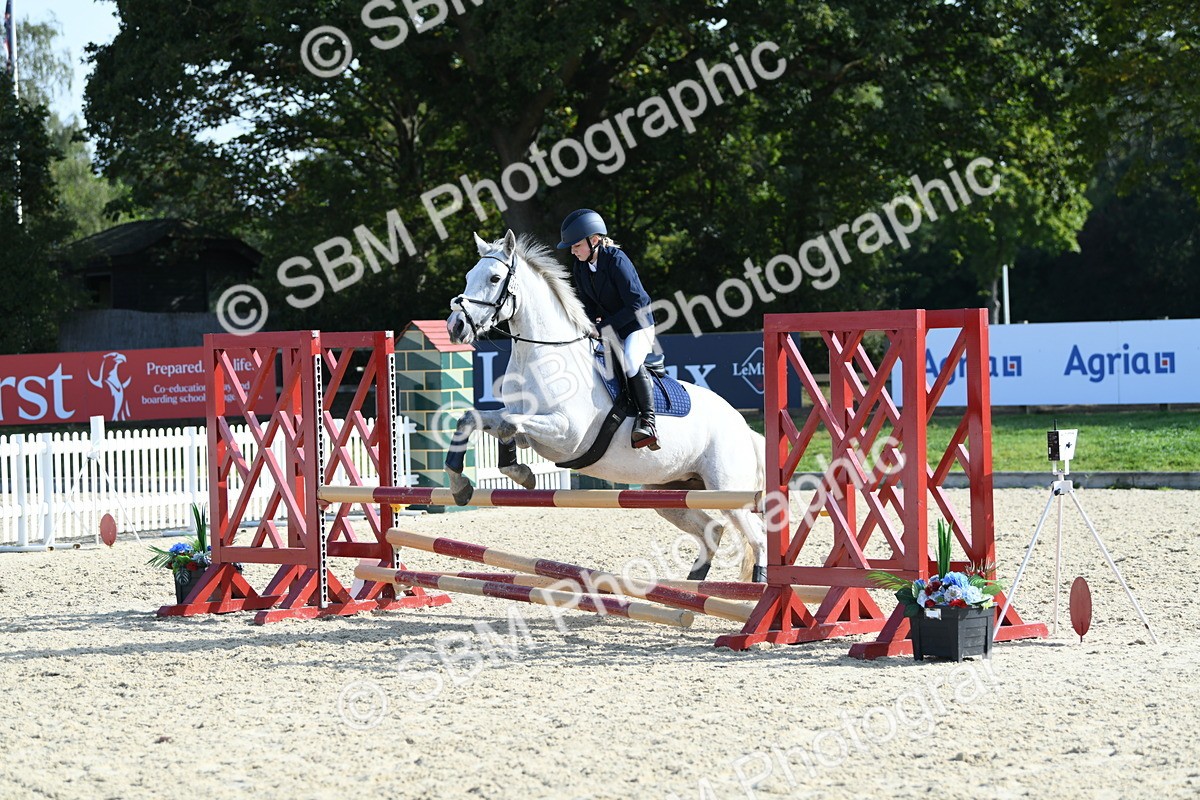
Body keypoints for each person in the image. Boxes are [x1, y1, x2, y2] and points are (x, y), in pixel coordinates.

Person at [557, 208, 661, 450]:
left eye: (576, 245)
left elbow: (637, 303)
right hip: (612, 328)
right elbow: (588, 305)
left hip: (638, 325)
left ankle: (648, 421)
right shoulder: (581, 267)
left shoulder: (616, 260)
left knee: (630, 361)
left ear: (594, 240)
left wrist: (603, 327)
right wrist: (586, 325)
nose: (572, 251)